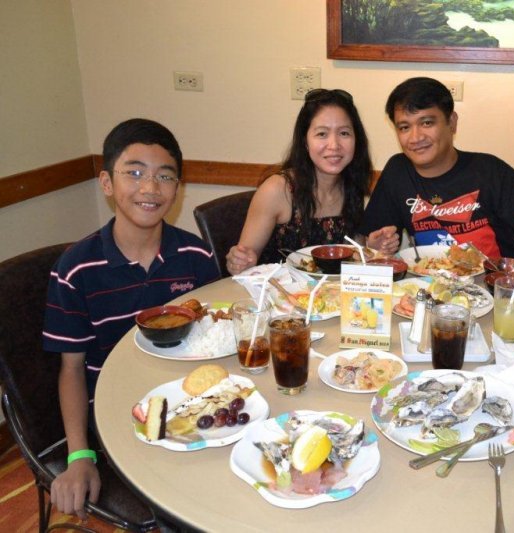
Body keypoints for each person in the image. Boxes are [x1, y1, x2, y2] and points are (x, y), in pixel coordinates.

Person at [42, 118, 220, 518]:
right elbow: (70, 370)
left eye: (165, 176)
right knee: (183, 502)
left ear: (178, 188)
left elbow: (209, 338)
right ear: (107, 183)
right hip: (113, 416)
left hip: (186, 403)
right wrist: (79, 455)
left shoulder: (196, 256)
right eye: (135, 173)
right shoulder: (76, 269)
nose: (150, 188)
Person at [357, 77, 514, 259]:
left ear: (452, 122)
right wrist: (375, 247)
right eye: (404, 127)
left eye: (427, 123)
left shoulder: (487, 170)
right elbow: (370, 241)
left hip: (494, 286)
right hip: (430, 286)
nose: (416, 137)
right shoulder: (398, 171)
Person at [225, 89, 399, 275]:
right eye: (322, 134)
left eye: (344, 133)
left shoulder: (351, 186)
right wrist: (238, 262)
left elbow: (351, 255)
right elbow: (243, 265)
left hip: (330, 292)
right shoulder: (277, 190)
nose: (334, 145)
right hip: (275, 291)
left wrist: (371, 248)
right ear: (305, 141)